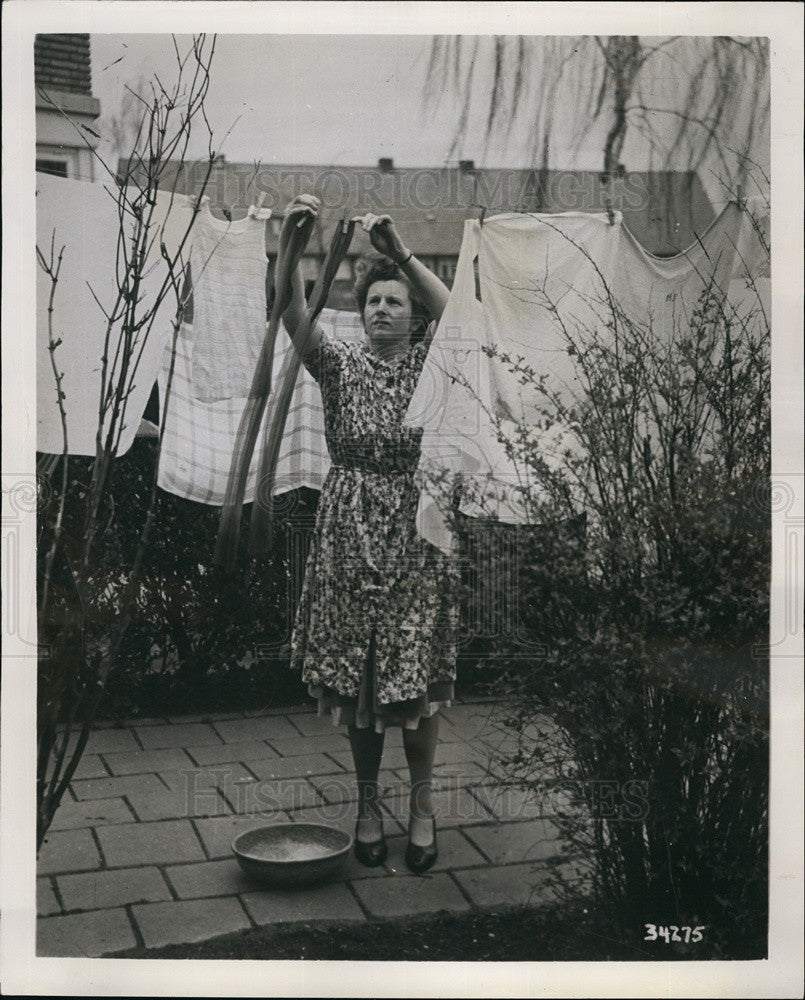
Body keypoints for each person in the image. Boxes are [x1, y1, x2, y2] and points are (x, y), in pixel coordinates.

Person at [276, 194, 458, 874]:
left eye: (395, 301)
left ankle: (420, 807)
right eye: (373, 300)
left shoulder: (427, 365)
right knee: (359, 681)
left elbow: (459, 315)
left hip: (416, 532)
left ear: (411, 316)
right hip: (348, 530)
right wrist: (293, 247)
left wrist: (401, 249)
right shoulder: (339, 365)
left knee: (414, 681)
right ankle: (365, 806)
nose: (382, 310)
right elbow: (292, 310)